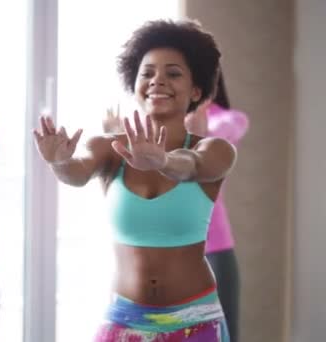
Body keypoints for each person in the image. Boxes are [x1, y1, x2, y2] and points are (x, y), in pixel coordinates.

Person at [33, 20, 234, 341]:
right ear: (135, 83)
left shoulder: (214, 149)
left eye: (173, 73)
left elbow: (194, 166)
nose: (158, 81)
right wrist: (59, 161)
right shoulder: (108, 147)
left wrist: (164, 160)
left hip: (196, 320)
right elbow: (77, 172)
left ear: (196, 90)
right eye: (147, 73)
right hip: (124, 318)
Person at [184, 72, 249, 342]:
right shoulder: (161, 122)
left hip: (214, 251)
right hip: (166, 251)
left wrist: (201, 135)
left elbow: (229, 128)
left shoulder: (227, 119)